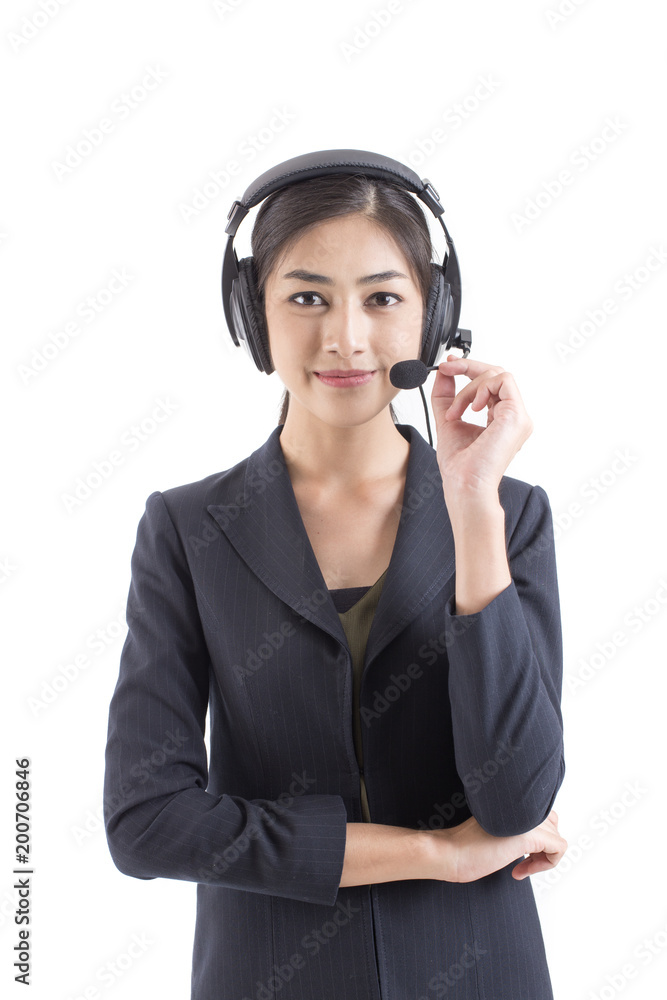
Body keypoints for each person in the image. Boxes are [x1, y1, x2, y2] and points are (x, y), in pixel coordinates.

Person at [104, 157, 567, 1000]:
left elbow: (517, 797)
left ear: (435, 316)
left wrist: (471, 511)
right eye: (307, 297)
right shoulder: (185, 530)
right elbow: (146, 824)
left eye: (383, 298)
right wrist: (435, 854)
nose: (346, 337)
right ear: (254, 314)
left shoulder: (510, 515)